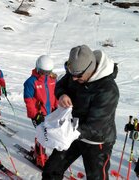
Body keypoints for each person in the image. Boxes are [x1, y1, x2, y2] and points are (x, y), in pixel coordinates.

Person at [42, 44, 119, 180]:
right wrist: (62, 95)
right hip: (73, 133)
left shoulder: (108, 90)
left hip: (96, 141)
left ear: (90, 69)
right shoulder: (76, 72)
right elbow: (61, 84)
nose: (74, 79)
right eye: (72, 75)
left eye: (78, 76)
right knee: (51, 170)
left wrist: (67, 133)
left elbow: (95, 125)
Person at [23, 55, 58, 168]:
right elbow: (28, 101)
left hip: (51, 113)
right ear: (38, 68)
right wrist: (35, 115)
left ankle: (41, 152)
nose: (45, 74)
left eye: (48, 72)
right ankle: (39, 157)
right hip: (38, 114)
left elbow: (55, 95)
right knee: (41, 134)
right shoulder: (31, 82)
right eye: (43, 72)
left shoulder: (53, 80)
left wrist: (57, 108)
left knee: (49, 134)